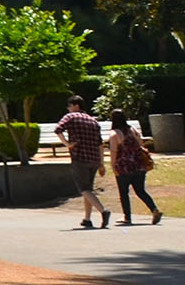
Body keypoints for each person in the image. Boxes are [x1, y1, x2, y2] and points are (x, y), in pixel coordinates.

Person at [57, 95, 109, 229]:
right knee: (89, 189)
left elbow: (58, 129)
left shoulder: (70, 117)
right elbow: (99, 143)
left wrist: (67, 144)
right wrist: (102, 163)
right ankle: (87, 218)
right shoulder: (93, 121)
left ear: (76, 105)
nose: (68, 108)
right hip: (94, 158)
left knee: (84, 189)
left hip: (79, 157)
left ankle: (103, 211)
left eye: (69, 106)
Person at [110, 112, 162, 226]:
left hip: (124, 166)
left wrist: (113, 166)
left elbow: (114, 152)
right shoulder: (133, 130)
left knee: (124, 192)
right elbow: (140, 144)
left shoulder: (115, 134)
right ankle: (154, 209)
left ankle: (127, 217)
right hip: (138, 165)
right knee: (140, 190)